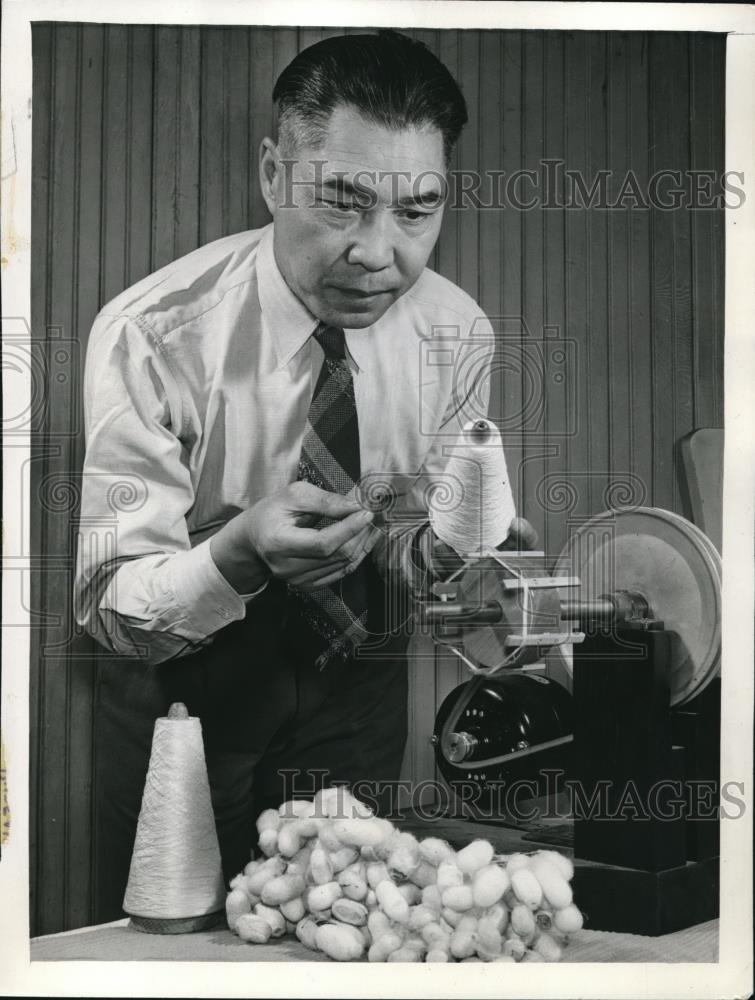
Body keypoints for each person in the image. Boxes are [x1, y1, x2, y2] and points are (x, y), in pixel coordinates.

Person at [74, 29, 516, 921]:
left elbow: (412, 541)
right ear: (275, 176)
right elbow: (107, 603)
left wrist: (441, 552)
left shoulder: (455, 330)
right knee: (169, 941)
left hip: (359, 687)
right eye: (343, 203)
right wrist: (237, 554)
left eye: (417, 210)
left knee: (352, 929)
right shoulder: (152, 334)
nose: (378, 253)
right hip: (185, 697)